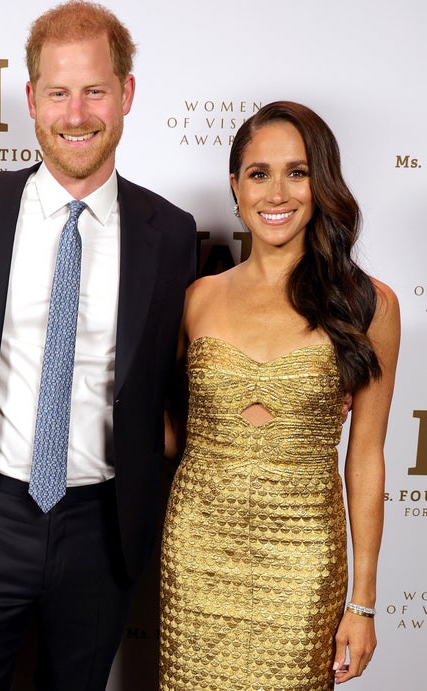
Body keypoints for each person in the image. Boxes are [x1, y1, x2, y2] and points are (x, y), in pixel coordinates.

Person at [0, 2, 196, 688]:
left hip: (101, 530)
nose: (77, 114)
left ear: (127, 94)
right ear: (32, 100)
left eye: (95, 90)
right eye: (59, 92)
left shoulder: (172, 234)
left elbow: (187, 379)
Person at [160, 101, 400, 690]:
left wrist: (362, 602)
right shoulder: (196, 298)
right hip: (198, 554)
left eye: (297, 172)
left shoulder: (370, 305)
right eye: (259, 173)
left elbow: (365, 457)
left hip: (303, 561)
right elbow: (171, 433)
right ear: (235, 187)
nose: (277, 192)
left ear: (322, 184)